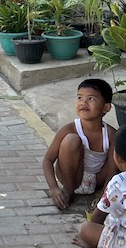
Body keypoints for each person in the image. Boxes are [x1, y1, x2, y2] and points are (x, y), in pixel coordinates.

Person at [42, 79, 116, 210]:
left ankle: (102, 192)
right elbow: (47, 160)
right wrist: (53, 188)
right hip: (73, 177)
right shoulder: (69, 128)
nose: (83, 103)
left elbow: (112, 169)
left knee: (120, 154)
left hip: (97, 180)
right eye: (80, 98)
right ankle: (68, 191)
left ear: (106, 107)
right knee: (71, 140)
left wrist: (104, 193)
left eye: (91, 99)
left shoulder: (110, 134)